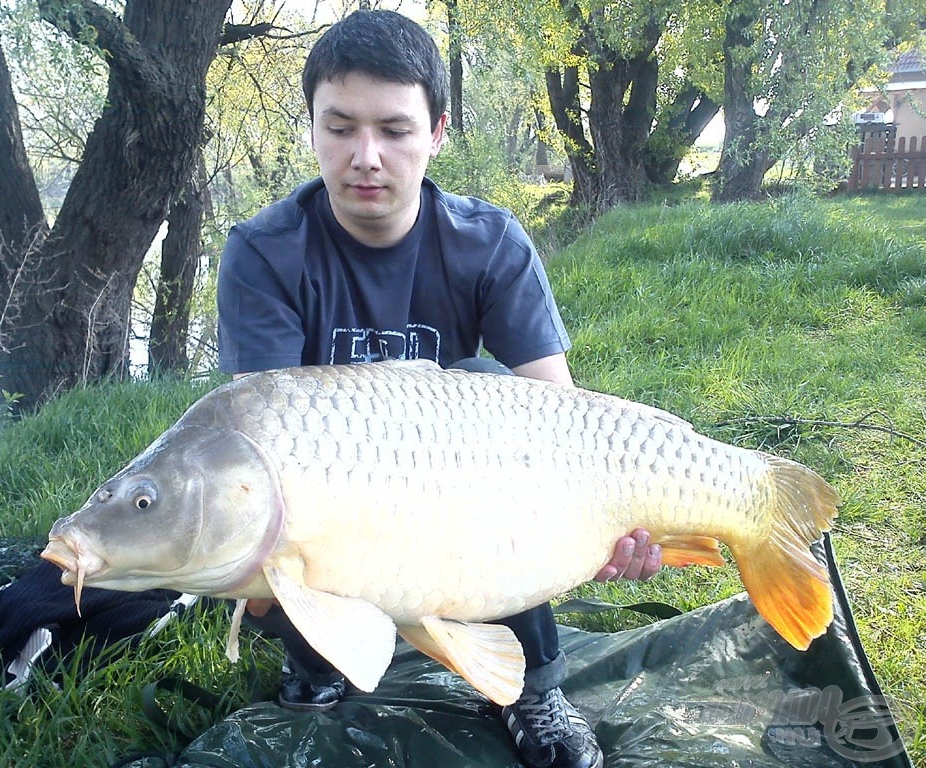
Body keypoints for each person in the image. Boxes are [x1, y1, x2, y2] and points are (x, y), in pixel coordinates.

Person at [216, 10, 662, 768]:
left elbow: (562, 420)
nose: (367, 157)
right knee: (277, 496)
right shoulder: (263, 253)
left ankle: (535, 688)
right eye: (341, 127)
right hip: (337, 497)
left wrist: (613, 522)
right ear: (313, 129)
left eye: (394, 129)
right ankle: (318, 658)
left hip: (460, 483)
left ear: (438, 131)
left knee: (488, 389)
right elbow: (262, 440)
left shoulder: (490, 243)